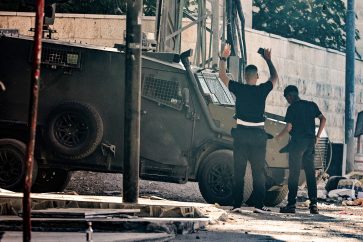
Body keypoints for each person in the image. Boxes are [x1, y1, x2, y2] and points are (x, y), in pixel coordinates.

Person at [219, 44, 278, 214]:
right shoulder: (262, 90)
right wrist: (268, 60)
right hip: (259, 135)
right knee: (258, 172)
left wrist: (224, 58)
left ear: (245, 76)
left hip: (241, 134)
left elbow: (222, 77)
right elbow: (275, 78)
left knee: (239, 171)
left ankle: (237, 204)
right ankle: (258, 206)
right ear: (257, 77)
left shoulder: (239, 88)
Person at [276, 85, 326, 214]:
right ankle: (314, 205)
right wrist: (317, 136)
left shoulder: (292, 108)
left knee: (294, 174)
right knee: (310, 174)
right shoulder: (311, 105)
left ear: (290, 96)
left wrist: (278, 137)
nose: (287, 100)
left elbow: (288, 127)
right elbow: (323, 119)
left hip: (297, 144)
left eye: (286, 98)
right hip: (310, 144)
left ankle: (291, 205)